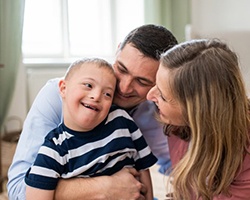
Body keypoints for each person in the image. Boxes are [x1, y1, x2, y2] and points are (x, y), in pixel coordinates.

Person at [7, 24, 178, 200]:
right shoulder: (58, 97)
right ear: (117, 50)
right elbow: (17, 190)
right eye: (121, 69)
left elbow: (177, 165)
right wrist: (105, 187)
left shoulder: (157, 111)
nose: (124, 87)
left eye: (141, 81)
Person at [25, 58, 157, 200]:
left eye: (107, 94)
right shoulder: (54, 149)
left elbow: (143, 165)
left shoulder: (122, 120)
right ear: (63, 88)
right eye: (88, 85)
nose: (96, 96)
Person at [147, 38, 250, 200]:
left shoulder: (245, 159)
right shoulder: (176, 126)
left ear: (197, 111)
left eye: (163, 96)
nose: (149, 95)